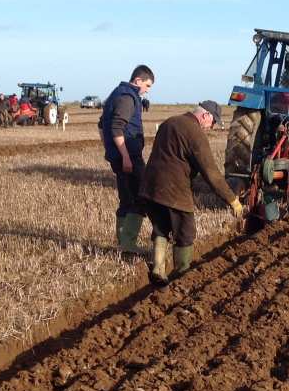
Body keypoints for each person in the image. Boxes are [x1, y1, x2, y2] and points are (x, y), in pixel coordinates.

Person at [141, 100, 243, 285]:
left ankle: (158, 268)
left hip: (150, 187)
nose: (211, 127)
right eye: (212, 123)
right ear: (205, 115)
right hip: (174, 190)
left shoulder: (169, 122)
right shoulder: (195, 133)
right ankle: (181, 277)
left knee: (161, 226)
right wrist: (232, 200)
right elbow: (211, 173)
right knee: (185, 233)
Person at [100, 64, 155, 255]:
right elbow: (116, 127)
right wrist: (125, 157)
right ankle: (129, 244)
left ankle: (123, 243)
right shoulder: (128, 97)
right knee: (140, 198)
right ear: (138, 80)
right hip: (128, 157)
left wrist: (110, 149)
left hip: (121, 156)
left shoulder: (117, 93)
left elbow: (101, 126)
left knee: (126, 198)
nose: (147, 91)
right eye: (147, 86)